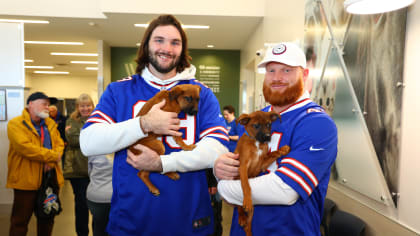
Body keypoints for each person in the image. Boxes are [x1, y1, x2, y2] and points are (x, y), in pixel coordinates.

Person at [79, 14, 229, 235]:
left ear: (182, 49)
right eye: (159, 40)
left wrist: (161, 163)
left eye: (175, 42)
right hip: (131, 219)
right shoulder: (118, 91)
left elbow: (217, 148)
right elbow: (88, 142)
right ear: (146, 44)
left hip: (189, 219)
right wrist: (143, 124)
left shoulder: (201, 93)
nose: (166, 48)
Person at [214, 42, 338, 235]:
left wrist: (224, 188)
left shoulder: (317, 123)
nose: (277, 78)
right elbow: (235, 167)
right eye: (271, 70)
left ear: (304, 75)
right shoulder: (255, 119)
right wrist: (220, 168)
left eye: (286, 70)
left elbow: (285, 190)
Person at [6, 91, 64, 236]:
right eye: (44, 103)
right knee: (20, 221)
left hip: (50, 179)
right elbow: (25, 148)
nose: (48, 107)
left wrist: (51, 160)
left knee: (47, 218)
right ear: (30, 104)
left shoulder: (50, 124)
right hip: (25, 181)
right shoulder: (15, 124)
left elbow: (60, 145)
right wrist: (51, 157)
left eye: (48, 104)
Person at [63, 93, 94, 236]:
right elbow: (73, 141)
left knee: (96, 205)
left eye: (88, 105)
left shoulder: (98, 119)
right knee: (81, 205)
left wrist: (81, 134)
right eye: (82, 106)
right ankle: (82, 233)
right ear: (77, 107)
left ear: (92, 105)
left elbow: (105, 139)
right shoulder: (71, 120)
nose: (85, 108)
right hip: (77, 170)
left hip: (95, 170)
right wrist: (93, 135)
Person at [86, 153, 113, 236]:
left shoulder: (93, 151)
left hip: (94, 196)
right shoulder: (121, 150)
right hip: (113, 196)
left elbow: (90, 172)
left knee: (98, 226)